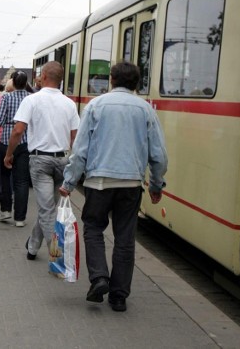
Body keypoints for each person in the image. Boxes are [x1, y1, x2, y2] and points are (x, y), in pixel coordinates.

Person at [59, 61, 168, 312]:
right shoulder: (146, 109)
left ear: (112, 80)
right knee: (125, 238)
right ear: (136, 83)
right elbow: (159, 154)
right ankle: (119, 296)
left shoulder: (96, 106)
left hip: (98, 182)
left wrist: (69, 181)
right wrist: (156, 184)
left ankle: (99, 278)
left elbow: (80, 150)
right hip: (131, 183)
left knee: (94, 228)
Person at [3, 61, 80, 262]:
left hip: (40, 160)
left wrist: (9, 154)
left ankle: (58, 257)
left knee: (46, 211)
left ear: (43, 77)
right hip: (63, 161)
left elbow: (18, 130)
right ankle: (32, 246)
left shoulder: (32, 100)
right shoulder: (69, 103)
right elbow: (75, 138)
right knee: (48, 209)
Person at [0, 73, 30, 226]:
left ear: (13, 83)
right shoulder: (31, 98)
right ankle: (20, 218)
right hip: (25, 142)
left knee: (5, 177)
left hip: (6, 141)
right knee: (22, 181)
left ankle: (5, 211)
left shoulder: (6, 98)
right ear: (26, 83)